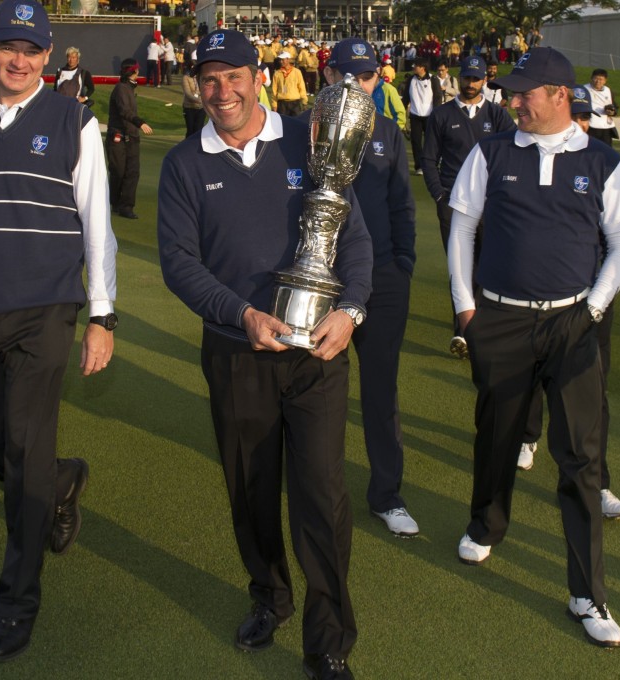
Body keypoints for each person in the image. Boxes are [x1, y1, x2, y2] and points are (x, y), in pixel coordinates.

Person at [157, 29, 372, 680]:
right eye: (210, 78)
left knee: (321, 493)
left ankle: (328, 638)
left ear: (259, 77)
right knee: (251, 492)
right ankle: (270, 595)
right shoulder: (185, 163)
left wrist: (351, 310)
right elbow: (178, 262)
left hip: (316, 356)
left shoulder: (309, 142)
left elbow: (354, 241)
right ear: (198, 83)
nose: (222, 91)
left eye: (235, 76)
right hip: (237, 352)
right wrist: (240, 313)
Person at [0, 0, 114, 661]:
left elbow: (97, 222)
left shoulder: (73, 119)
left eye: (31, 49)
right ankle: (60, 479)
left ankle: (16, 603)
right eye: (8, 45)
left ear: (48, 56)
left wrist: (102, 314)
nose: (19, 58)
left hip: (45, 308)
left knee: (24, 444)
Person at [448, 47, 620, 648]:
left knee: (580, 456)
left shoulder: (604, 162)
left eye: (525, 93)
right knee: (498, 433)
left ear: (560, 95)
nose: (513, 101)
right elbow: (461, 226)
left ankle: (587, 593)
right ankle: (487, 522)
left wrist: (594, 308)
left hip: (572, 322)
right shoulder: (492, 151)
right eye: (512, 91)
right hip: (500, 317)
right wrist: (466, 305)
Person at [514, 86, 620, 522]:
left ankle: (598, 482)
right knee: (530, 377)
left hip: (591, 300)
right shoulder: (533, 155)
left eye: (588, 118)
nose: (582, 125)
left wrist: (599, 301)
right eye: (577, 116)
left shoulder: (601, 163)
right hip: (538, 301)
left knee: (593, 391)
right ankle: (527, 438)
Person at [317, 38, 419, 537]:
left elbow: (402, 204)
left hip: (382, 279)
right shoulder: (305, 130)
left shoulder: (389, 133)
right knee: (320, 392)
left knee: (381, 388)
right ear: (328, 76)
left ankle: (386, 494)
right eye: (347, 75)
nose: (356, 85)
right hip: (322, 278)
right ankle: (320, 488)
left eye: (366, 76)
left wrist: (403, 264)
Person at [420, 55, 515, 358]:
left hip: (490, 205)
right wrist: (439, 196)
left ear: (484, 80)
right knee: (460, 269)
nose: (471, 84)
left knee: (486, 268)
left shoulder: (498, 116)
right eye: (466, 78)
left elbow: (514, 152)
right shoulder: (442, 114)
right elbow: (428, 159)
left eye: (476, 79)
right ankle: (462, 332)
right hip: (453, 204)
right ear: (459, 79)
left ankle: (483, 329)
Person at [107, 58, 154, 219]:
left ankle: (126, 206)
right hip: (118, 136)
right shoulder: (121, 89)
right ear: (132, 71)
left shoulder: (129, 88)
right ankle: (115, 202)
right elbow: (124, 111)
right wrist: (140, 122)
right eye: (137, 70)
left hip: (132, 136)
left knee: (132, 172)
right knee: (118, 171)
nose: (138, 72)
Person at [403, 58, 441, 175]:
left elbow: (437, 97)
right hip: (415, 116)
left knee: (431, 142)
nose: (414, 67)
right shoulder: (411, 79)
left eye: (416, 65)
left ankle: (432, 165)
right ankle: (419, 166)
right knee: (416, 141)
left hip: (429, 116)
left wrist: (436, 113)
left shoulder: (433, 79)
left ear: (423, 68)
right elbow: (406, 98)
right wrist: (402, 112)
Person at [583, 68, 617, 146]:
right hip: (591, 126)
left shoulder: (608, 91)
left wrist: (612, 112)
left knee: (606, 151)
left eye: (601, 79)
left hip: (606, 127)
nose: (598, 81)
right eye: (596, 78)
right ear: (591, 78)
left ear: (605, 81)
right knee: (590, 149)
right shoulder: (584, 89)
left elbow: (614, 107)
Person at [271, 51, 306, 116]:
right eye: (280, 60)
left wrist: (304, 101)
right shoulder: (277, 73)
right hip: (282, 103)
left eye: (282, 60)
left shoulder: (297, 72)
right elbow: (274, 90)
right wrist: (274, 105)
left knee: (296, 124)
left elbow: (301, 87)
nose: (281, 61)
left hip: (295, 102)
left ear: (288, 59)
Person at [181, 69, 206, 136]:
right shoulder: (186, 78)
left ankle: (198, 146)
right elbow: (187, 93)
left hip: (201, 107)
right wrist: (198, 100)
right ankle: (188, 146)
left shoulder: (201, 77)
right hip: (189, 107)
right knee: (190, 130)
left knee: (199, 129)